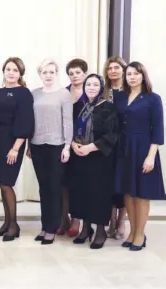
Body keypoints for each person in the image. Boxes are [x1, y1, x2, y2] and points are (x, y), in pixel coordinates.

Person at [115, 61, 165, 251]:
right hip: (124, 148)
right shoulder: (120, 97)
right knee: (128, 191)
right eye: (129, 74)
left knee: (142, 194)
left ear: (143, 76)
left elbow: (158, 130)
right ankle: (132, 230)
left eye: (136, 73)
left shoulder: (153, 98)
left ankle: (140, 234)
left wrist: (151, 156)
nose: (132, 77)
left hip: (144, 148)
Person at [69, 74, 119, 249]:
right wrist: (74, 145)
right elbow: (69, 130)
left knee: (98, 193)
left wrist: (90, 147)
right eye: (88, 84)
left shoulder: (108, 108)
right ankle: (85, 228)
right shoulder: (77, 107)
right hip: (79, 156)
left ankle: (100, 230)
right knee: (82, 192)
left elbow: (112, 134)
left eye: (95, 84)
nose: (91, 87)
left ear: (101, 87)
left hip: (99, 157)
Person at [27, 59, 73, 245]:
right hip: (37, 145)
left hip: (57, 145)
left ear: (56, 73)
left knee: (55, 188)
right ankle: (45, 226)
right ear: (40, 75)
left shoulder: (63, 94)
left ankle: (52, 228)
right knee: (43, 187)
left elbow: (67, 121)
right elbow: (31, 121)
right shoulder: (34, 94)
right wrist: (29, 145)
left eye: (51, 72)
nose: (48, 75)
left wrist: (67, 146)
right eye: (44, 72)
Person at [0, 57, 34, 241]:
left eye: (15, 70)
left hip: (13, 142)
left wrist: (15, 148)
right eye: (8, 69)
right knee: (1, 182)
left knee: (7, 183)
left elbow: (25, 121)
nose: (11, 72)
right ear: (4, 71)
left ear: (20, 73)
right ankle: (6, 223)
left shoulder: (24, 93)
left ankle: (14, 225)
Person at [61, 58, 88, 237]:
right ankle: (64, 218)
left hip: (85, 145)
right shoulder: (63, 93)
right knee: (64, 183)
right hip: (65, 143)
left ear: (85, 73)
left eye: (78, 72)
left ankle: (78, 219)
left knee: (81, 184)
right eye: (71, 73)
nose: (74, 76)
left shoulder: (92, 91)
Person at [102, 56, 128, 239]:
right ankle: (110, 221)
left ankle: (121, 221)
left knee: (123, 183)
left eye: (116, 67)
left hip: (125, 142)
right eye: (110, 68)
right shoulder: (104, 92)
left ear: (123, 70)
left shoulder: (130, 91)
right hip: (107, 143)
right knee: (108, 183)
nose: (113, 71)